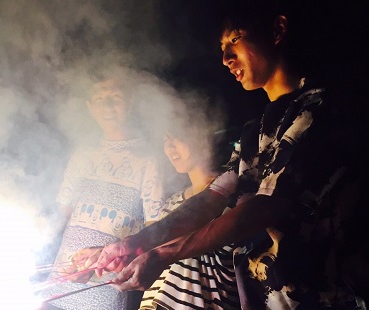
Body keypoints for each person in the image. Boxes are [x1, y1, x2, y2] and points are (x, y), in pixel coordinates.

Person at [93, 0, 363, 309]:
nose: (225, 58)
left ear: (278, 30)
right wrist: (134, 244)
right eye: (222, 47)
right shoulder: (253, 132)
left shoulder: (317, 110)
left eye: (235, 39)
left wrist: (164, 254)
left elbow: (265, 206)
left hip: (327, 299)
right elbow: (213, 196)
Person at [39, 68, 165, 310]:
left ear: (129, 103)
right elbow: (62, 212)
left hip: (105, 286)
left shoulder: (147, 161)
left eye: (115, 97)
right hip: (61, 280)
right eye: (99, 98)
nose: (107, 105)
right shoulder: (82, 155)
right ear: (90, 106)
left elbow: (154, 228)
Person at [138, 101, 240, 310]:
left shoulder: (232, 196)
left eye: (178, 136)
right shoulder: (173, 202)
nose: (170, 147)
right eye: (166, 140)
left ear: (202, 135)